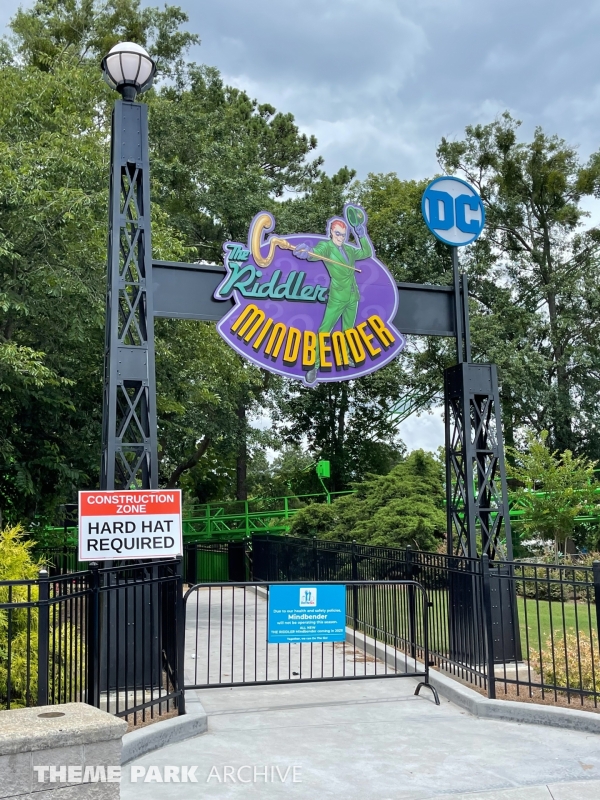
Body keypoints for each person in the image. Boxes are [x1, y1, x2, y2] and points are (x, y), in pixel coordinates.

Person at [293, 215, 372, 384]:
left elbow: (367, 252)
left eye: (343, 235)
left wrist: (361, 234)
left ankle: (345, 356)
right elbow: (316, 253)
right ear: (331, 232)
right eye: (337, 234)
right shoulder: (326, 247)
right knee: (324, 330)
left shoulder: (349, 250)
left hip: (353, 296)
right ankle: (314, 366)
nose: (340, 237)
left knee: (348, 330)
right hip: (337, 297)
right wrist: (307, 252)